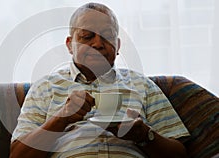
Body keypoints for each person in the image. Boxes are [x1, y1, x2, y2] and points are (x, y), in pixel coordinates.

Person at [10, 2, 190, 158]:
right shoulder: (45, 87)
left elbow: (180, 154)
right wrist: (61, 118)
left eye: (107, 36)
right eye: (87, 36)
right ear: (69, 45)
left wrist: (144, 135)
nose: (97, 44)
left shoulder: (142, 85)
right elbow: (18, 155)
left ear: (117, 46)